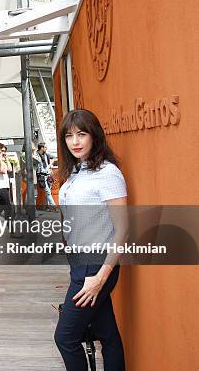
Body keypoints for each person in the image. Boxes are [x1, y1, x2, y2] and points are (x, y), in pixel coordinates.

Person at [54, 109, 128, 370]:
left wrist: (99, 278)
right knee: (107, 334)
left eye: (81, 134)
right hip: (81, 265)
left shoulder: (108, 173)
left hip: (96, 267)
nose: (75, 141)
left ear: (94, 136)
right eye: (69, 136)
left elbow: (123, 231)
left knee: (65, 337)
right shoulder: (77, 171)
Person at [37, 142, 57, 209]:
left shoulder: (46, 154)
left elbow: (54, 157)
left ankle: (49, 207)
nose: (46, 148)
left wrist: (50, 165)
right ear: (42, 148)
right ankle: (54, 207)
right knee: (48, 192)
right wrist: (49, 165)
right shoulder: (37, 155)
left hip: (48, 175)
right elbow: (41, 169)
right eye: (45, 147)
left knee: (48, 192)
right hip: (42, 175)